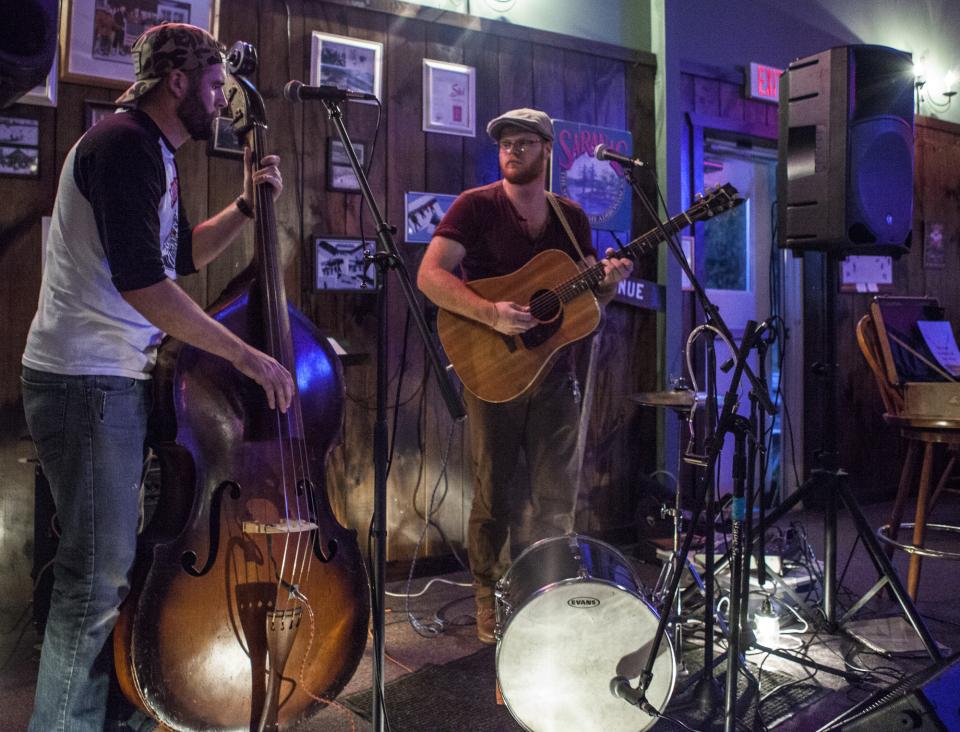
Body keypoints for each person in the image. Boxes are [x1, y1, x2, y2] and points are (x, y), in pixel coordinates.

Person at [20, 23, 293, 731]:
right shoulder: (123, 145)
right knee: (96, 578)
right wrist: (246, 355)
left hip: (110, 379)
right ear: (177, 82)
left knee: (115, 571)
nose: (218, 101)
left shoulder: (153, 153)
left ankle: (118, 712)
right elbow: (145, 286)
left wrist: (240, 207)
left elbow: (179, 260)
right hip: (86, 380)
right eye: (211, 86)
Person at [416, 108, 634, 643]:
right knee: (496, 494)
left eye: (522, 143)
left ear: (546, 151)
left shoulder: (570, 218)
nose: (511, 151)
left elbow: (585, 302)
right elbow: (429, 275)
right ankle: (490, 602)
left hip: (557, 375)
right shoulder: (476, 207)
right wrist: (492, 313)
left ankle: (545, 596)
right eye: (505, 144)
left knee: (555, 497)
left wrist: (608, 281)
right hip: (492, 368)